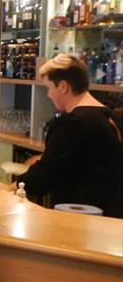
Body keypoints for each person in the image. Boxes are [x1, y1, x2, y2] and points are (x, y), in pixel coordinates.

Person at [17, 54, 123, 217]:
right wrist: (45, 158)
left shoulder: (72, 123)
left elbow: (43, 179)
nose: (48, 95)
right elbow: (88, 160)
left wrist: (16, 185)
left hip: (84, 219)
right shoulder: (111, 117)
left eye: (49, 88)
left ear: (63, 87)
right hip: (113, 218)